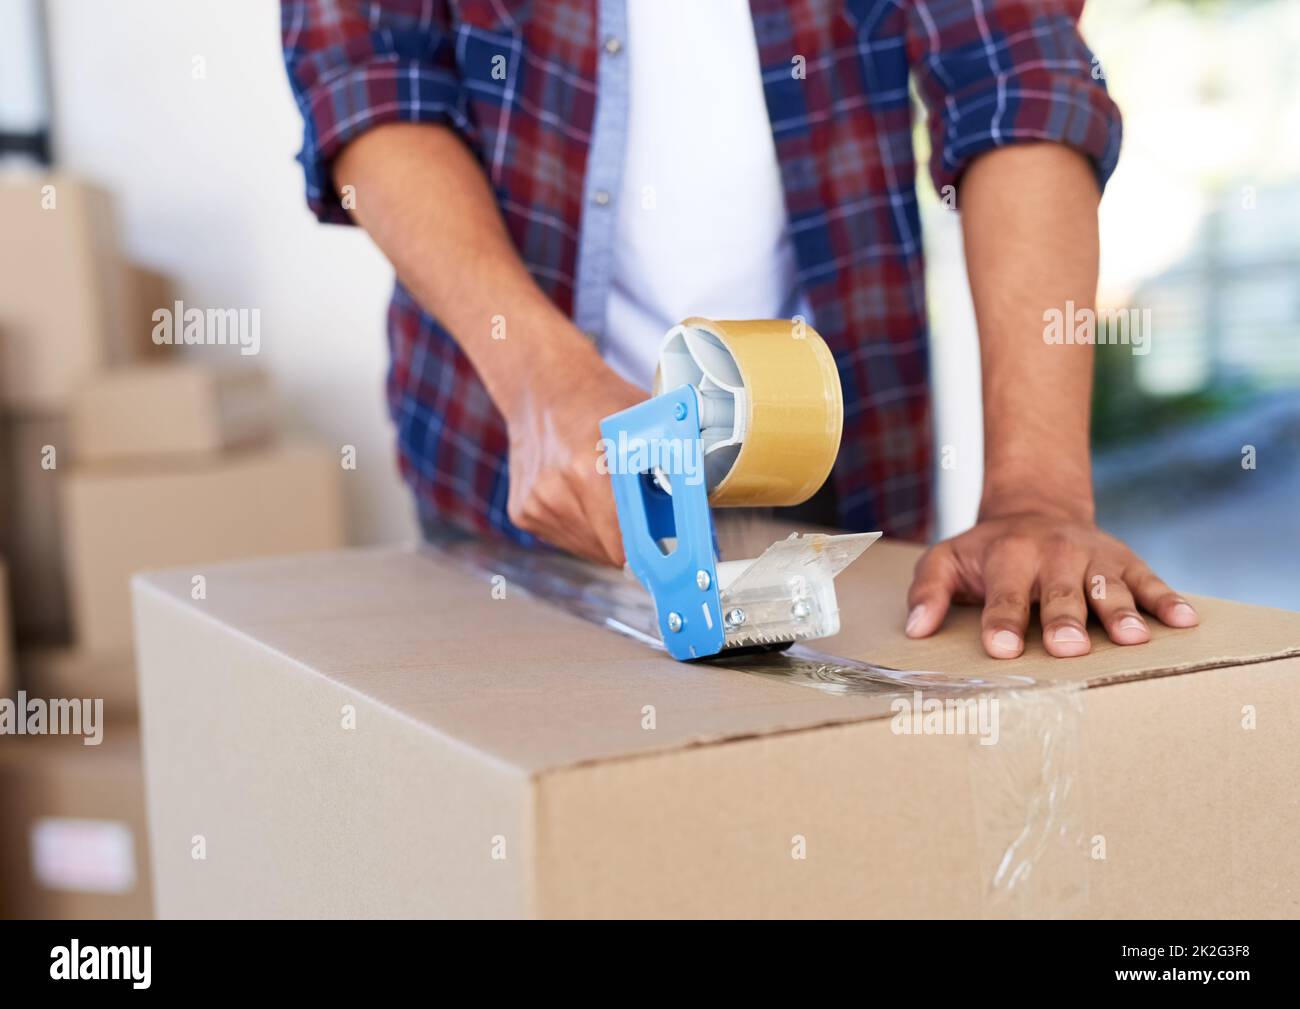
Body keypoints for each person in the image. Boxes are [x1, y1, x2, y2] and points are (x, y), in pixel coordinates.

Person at [281, 0, 1198, 659]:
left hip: (837, 476)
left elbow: (1016, 73)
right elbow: (369, 78)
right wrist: (539, 381)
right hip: (514, 459)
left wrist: (1036, 493)